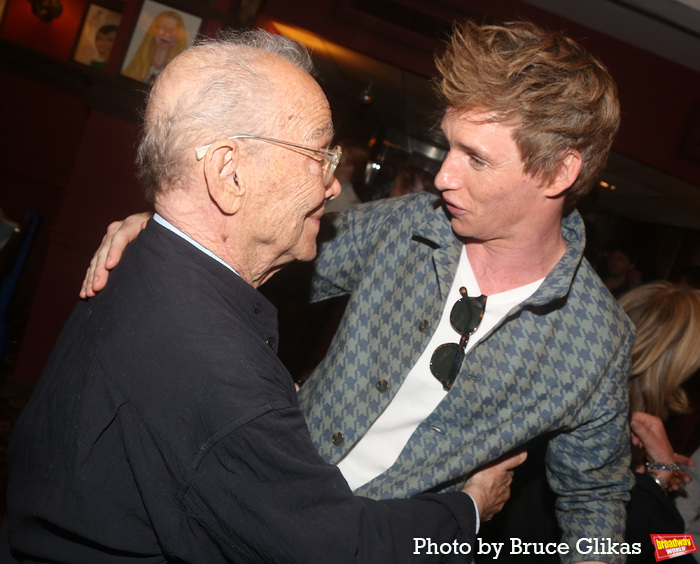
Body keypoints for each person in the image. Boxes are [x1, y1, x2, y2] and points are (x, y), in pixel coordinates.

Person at [81, 20, 634, 562]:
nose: (444, 176)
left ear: (559, 174)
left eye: (478, 159)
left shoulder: (598, 341)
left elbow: (595, 497)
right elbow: (259, 254)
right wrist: (170, 232)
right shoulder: (407, 227)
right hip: (260, 509)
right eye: (451, 147)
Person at [5, 30, 526, 563]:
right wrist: (469, 509)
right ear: (228, 174)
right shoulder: (217, 369)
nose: (331, 184)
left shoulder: (140, 257)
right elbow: (333, 549)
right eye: (317, 154)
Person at [122, 10, 188, 84]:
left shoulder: (176, 76)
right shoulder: (136, 67)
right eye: (163, 27)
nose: (167, 32)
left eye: (172, 29)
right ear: (154, 31)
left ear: (178, 37)